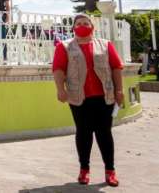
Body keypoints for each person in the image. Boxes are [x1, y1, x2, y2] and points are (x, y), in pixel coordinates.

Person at [52, 14, 124, 187]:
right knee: (83, 133)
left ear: (93, 27)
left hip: (104, 96)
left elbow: (116, 67)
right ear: (73, 27)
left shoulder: (105, 44)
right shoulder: (64, 46)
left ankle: (110, 171)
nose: (82, 26)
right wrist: (60, 89)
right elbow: (58, 69)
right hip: (78, 98)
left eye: (86, 23)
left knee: (104, 133)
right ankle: (84, 169)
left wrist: (119, 90)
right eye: (78, 23)